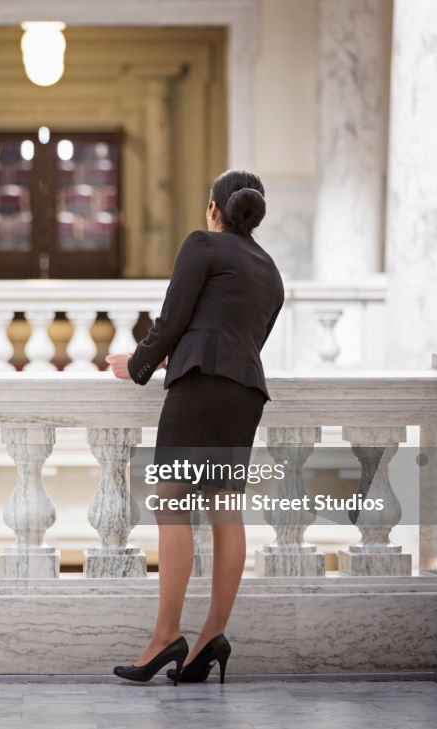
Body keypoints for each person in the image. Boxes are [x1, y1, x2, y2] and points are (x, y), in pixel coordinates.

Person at [105, 169, 284, 685]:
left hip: (202, 388)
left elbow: (174, 318)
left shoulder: (202, 244)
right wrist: (177, 361)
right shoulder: (271, 271)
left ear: (214, 209)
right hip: (244, 392)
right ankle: (210, 637)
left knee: (171, 503)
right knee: (226, 508)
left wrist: (138, 365)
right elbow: (240, 336)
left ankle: (165, 638)